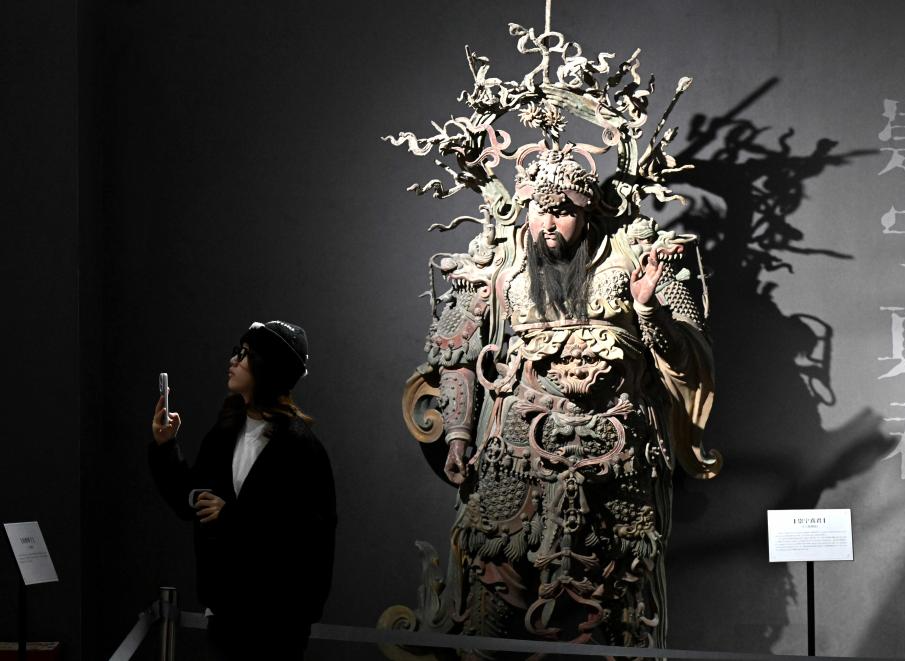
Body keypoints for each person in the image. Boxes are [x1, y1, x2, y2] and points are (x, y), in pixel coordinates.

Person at [397, 145, 718, 651]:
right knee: (493, 586)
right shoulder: (500, 269)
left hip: (616, 457)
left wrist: (647, 309)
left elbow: (685, 358)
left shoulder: (636, 263)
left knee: (622, 597)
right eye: (540, 210)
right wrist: (457, 435)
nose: (549, 224)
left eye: (564, 211)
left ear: (587, 212)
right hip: (515, 454)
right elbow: (455, 355)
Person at [149, 320, 336, 660]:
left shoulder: (300, 447)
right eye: (238, 351)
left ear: (269, 367)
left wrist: (231, 517)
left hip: (277, 628)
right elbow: (189, 501)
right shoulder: (225, 432)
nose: (233, 359)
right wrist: (165, 445)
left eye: (245, 353)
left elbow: (309, 540)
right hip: (225, 620)